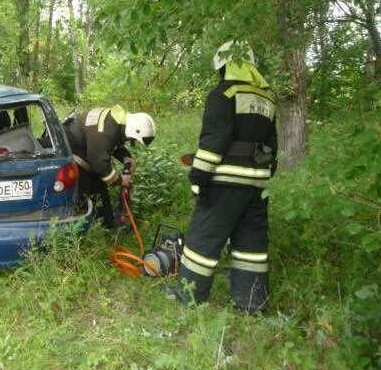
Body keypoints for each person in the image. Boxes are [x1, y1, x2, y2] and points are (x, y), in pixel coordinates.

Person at [166, 40, 277, 313]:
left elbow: (213, 142)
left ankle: (189, 297)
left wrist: (198, 179)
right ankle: (251, 301)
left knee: (203, 239)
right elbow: (273, 144)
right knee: (251, 244)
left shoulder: (224, 95)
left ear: (224, 67)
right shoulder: (267, 97)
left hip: (225, 182)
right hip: (258, 184)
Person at [63, 105, 156, 228]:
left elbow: (113, 144)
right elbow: (99, 164)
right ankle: (84, 226)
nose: (129, 141)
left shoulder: (118, 121)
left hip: (85, 146)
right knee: (87, 186)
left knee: (99, 185)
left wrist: (125, 157)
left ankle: (105, 221)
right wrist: (119, 180)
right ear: (133, 130)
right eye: (131, 139)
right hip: (70, 147)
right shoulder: (106, 131)